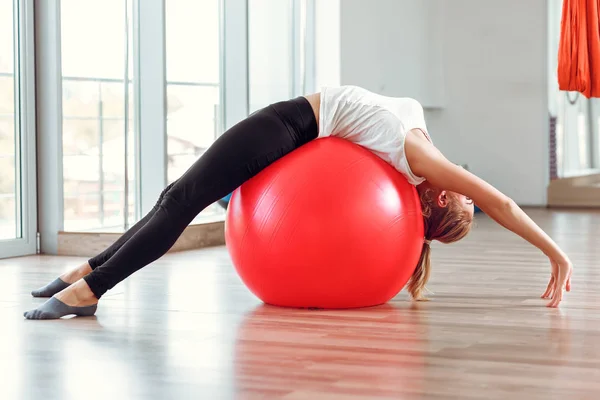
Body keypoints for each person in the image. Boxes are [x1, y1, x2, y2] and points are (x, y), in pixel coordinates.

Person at [24, 85, 573, 319]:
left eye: (459, 198)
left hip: (288, 126)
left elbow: (501, 202)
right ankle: (86, 271)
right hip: (293, 136)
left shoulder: (421, 161)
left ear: (435, 196)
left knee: (182, 200)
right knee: (176, 197)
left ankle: (89, 291)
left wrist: (555, 252)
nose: (463, 190)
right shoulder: (420, 136)